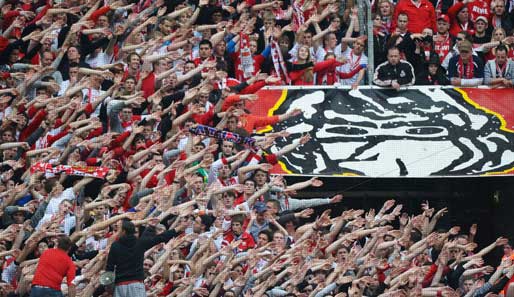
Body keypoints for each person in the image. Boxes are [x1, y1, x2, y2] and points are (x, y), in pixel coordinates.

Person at [105, 218, 186, 297]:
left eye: (118, 229)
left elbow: (109, 268)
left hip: (120, 286)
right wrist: (177, 229)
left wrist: (108, 286)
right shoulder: (140, 243)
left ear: (123, 231)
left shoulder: (115, 246)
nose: (117, 231)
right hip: (137, 285)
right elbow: (161, 237)